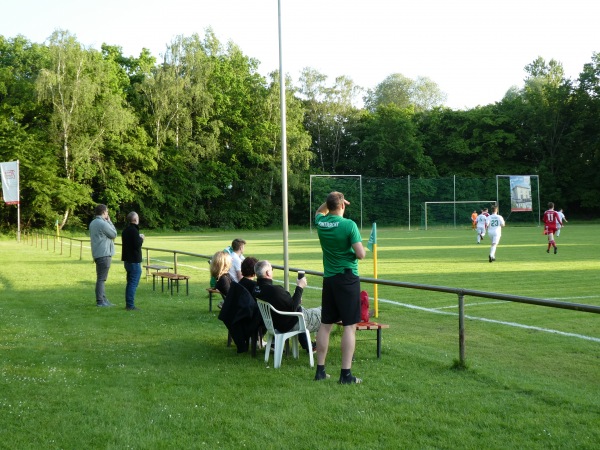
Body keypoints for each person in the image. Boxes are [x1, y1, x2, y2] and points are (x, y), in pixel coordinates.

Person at [314, 191, 366, 384]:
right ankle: (345, 374)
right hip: (347, 278)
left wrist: (331, 201)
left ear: (329, 205)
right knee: (350, 326)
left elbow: (319, 211)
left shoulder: (321, 222)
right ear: (343, 206)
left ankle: (320, 370)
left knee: (325, 325)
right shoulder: (349, 225)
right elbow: (360, 254)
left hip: (329, 279)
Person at [253, 260, 321, 353]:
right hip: (292, 322)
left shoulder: (256, 289)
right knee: (326, 312)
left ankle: (309, 345)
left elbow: (288, 304)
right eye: (271, 269)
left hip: (277, 324)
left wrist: (295, 299)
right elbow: (293, 308)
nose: (272, 271)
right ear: (268, 273)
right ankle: (318, 345)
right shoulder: (275, 290)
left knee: (316, 311)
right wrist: (300, 286)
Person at [89, 204, 117, 307]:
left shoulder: (93, 223)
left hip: (97, 254)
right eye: (107, 212)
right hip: (104, 254)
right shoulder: (103, 224)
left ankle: (104, 300)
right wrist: (109, 221)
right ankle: (100, 301)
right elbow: (114, 234)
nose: (108, 214)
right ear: (104, 212)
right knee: (101, 279)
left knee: (101, 278)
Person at [121, 211, 145, 311]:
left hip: (127, 261)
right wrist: (141, 239)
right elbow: (136, 245)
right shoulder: (134, 231)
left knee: (130, 283)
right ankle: (130, 305)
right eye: (138, 218)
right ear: (135, 220)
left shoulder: (125, 230)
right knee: (132, 284)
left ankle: (129, 304)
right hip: (134, 261)